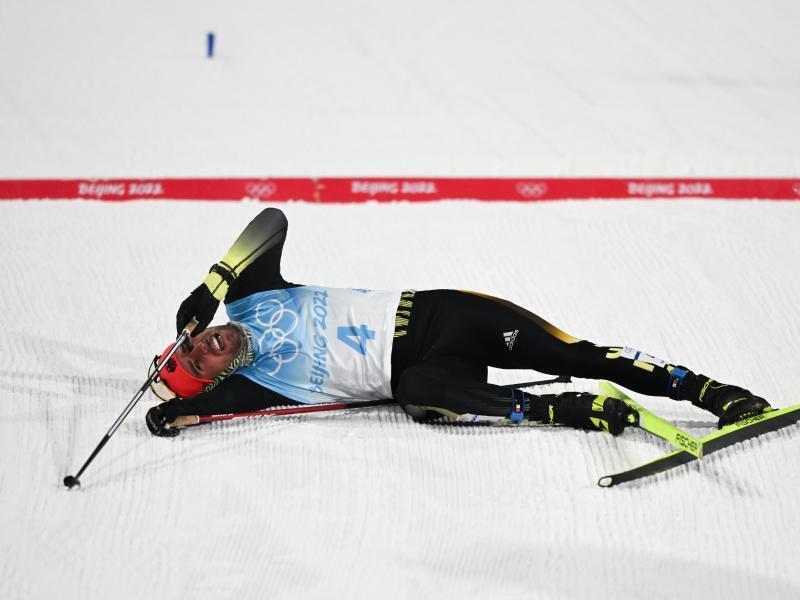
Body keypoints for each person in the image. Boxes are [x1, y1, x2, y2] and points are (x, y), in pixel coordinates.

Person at [145, 208, 772, 437]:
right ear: (218, 377)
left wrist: (212, 283)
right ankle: (571, 411)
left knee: (574, 351)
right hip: (427, 370)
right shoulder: (262, 386)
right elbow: (206, 410)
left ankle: (712, 392)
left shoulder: (247, 298)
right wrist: (174, 410)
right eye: (199, 360)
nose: (205, 344)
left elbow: (271, 221)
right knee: (419, 397)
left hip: (442, 313)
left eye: (194, 341)